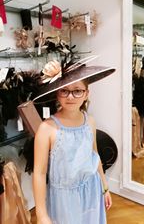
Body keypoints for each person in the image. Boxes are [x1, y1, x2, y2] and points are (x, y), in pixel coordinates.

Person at [32, 58, 115, 224]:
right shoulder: (47, 129)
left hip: (92, 188)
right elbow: (39, 173)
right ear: (57, 93)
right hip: (63, 199)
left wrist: (105, 187)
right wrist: (41, 214)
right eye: (65, 91)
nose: (71, 97)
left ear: (86, 93)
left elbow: (94, 155)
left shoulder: (89, 121)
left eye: (77, 91)